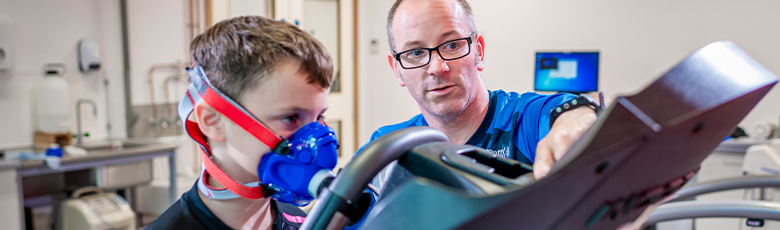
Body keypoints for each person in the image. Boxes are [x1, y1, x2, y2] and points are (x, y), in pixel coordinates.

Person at [359, 0, 604, 188]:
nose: (437, 68)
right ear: (397, 70)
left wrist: (581, 116)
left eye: (452, 45)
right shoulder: (386, 148)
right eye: (415, 53)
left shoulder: (522, 121)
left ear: (479, 52)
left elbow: (569, 109)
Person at [146, 16, 336, 230]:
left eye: (319, 117)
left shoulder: (300, 221)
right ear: (212, 121)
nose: (314, 136)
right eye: (291, 118)